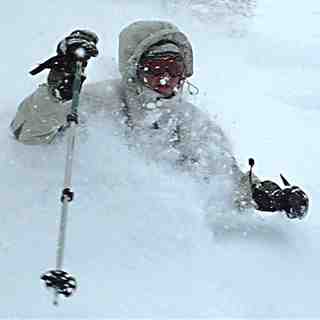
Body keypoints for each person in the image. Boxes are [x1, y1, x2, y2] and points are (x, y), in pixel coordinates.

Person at [10, 21, 309, 219]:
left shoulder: (192, 122)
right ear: (134, 69)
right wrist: (58, 93)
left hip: (159, 241)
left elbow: (222, 176)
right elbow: (28, 134)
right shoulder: (100, 100)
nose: (166, 79)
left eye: (175, 68)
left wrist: (264, 194)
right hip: (97, 228)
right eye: (154, 68)